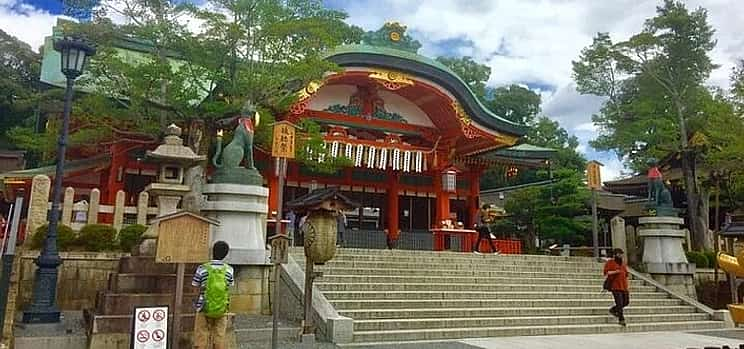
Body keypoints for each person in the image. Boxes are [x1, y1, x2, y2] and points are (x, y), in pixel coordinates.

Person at [192, 241, 235, 349]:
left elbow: (195, 286)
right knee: (220, 336)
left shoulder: (202, 268)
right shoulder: (229, 270)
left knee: (201, 334)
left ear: (212, 251)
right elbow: (229, 287)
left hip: (203, 305)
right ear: (225, 254)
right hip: (221, 307)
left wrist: (196, 303)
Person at [603, 248, 629, 326]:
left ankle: (613, 310)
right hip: (615, 286)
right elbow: (606, 272)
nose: (620, 255)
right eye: (619, 254)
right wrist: (615, 272)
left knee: (626, 302)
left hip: (624, 286)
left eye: (621, 254)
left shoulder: (623, 263)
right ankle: (621, 319)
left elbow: (626, 274)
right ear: (615, 255)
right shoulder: (610, 262)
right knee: (619, 303)